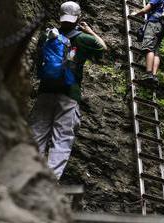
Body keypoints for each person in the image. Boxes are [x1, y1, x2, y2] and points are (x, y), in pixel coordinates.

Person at [29, 1, 107, 180]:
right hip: (69, 94)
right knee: (61, 140)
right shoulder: (83, 39)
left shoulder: (48, 35)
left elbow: (38, 59)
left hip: (45, 91)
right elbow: (103, 48)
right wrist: (89, 31)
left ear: (60, 16)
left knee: (36, 135)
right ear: (78, 17)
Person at [131, 0, 164, 85]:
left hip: (153, 24)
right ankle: (154, 75)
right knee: (156, 52)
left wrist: (136, 14)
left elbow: (145, 10)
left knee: (149, 48)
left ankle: (148, 74)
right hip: (161, 28)